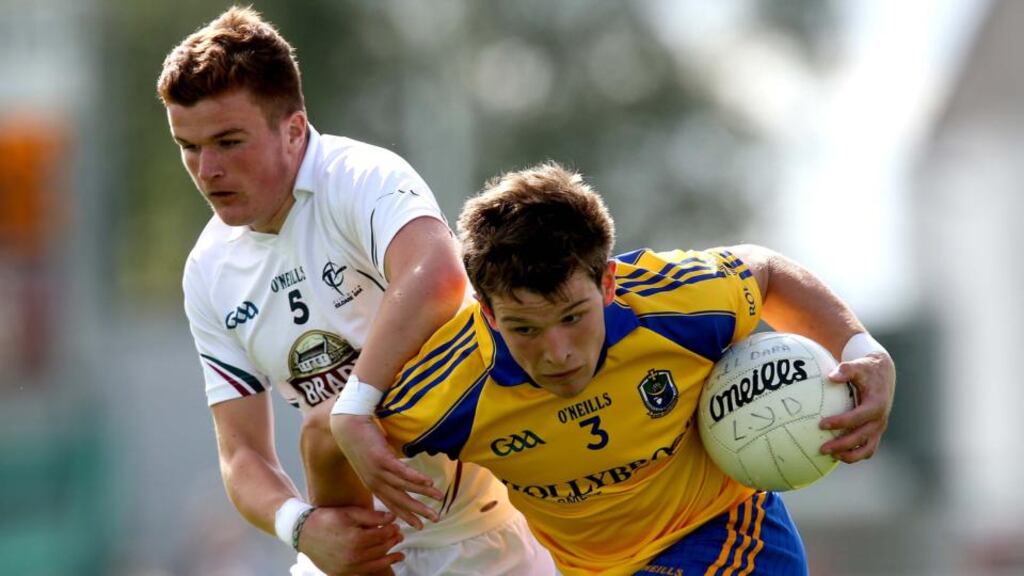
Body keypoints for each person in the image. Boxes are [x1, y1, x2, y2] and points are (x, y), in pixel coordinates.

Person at [328, 162, 897, 575]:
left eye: (574, 317)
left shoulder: (678, 306)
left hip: (727, 534)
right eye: (524, 328)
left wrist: (861, 349)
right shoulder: (449, 388)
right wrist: (321, 528)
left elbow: (766, 273)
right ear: (486, 311)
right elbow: (324, 437)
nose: (558, 352)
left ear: (607, 283)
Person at [158, 7, 555, 576]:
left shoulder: (360, 178)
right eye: (188, 146)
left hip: (479, 535)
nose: (207, 169)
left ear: (293, 128)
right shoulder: (207, 269)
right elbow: (241, 453)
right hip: (349, 544)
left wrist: (354, 408)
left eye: (228, 141)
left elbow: (439, 274)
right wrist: (301, 525)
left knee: (324, 429)